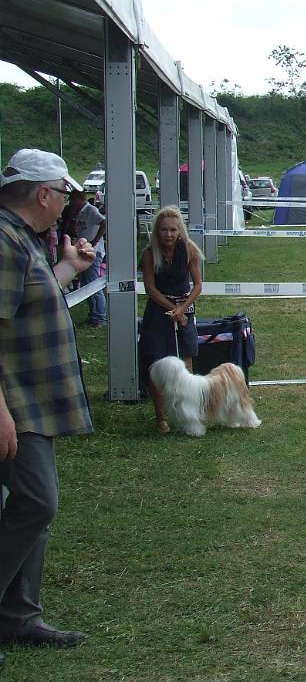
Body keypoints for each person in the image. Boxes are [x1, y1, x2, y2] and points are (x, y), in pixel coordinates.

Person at [0, 149, 96, 662]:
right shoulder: (2, 240)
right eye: (64, 194)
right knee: (37, 503)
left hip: (29, 402)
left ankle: (19, 616)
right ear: (43, 194)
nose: (66, 205)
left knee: (29, 510)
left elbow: (25, 303)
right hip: (14, 403)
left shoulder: (22, 239)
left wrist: (67, 267)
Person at [138, 206, 203, 433]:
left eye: (173, 230)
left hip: (185, 307)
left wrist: (182, 309)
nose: (168, 234)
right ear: (157, 231)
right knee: (156, 362)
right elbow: (150, 288)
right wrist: (172, 308)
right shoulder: (149, 253)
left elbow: (198, 285)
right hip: (158, 310)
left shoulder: (190, 250)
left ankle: (188, 413)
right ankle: (161, 417)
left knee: (187, 361)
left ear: (179, 231)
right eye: (164, 230)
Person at [63, 189, 107, 327]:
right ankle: (93, 314)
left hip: (94, 251)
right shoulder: (80, 212)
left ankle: (100, 316)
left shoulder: (90, 210)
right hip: (84, 251)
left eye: (72, 200)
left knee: (93, 284)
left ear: (78, 199)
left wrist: (95, 240)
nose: (71, 203)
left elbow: (104, 222)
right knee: (86, 283)